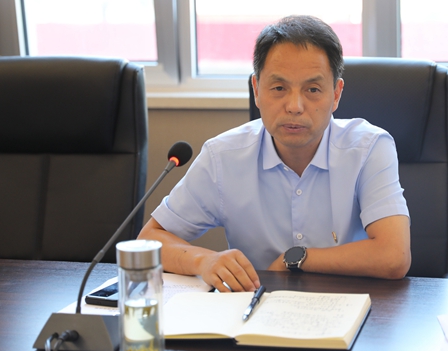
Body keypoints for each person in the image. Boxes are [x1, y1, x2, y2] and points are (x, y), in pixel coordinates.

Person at [138, 15, 411, 292]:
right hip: (255, 308)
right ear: (257, 90)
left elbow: (394, 256)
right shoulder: (223, 157)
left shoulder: (368, 149)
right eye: (279, 88)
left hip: (350, 305)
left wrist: (294, 259)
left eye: (313, 89)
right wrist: (203, 261)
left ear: (336, 94)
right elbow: (150, 240)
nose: (294, 106)